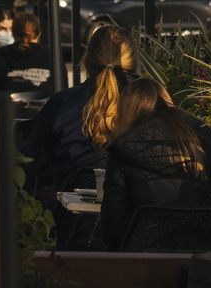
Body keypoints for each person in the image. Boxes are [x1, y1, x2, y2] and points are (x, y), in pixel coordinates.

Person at [97, 76, 211, 251]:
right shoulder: (205, 136)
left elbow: (114, 225)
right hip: (208, 247)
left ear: (126, 112)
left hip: (148, 253)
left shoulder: (123, 147)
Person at [20, 25, 135, 199]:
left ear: (87, 60)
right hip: (134, 215)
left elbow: (34, 162)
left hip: (71, 214)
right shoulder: (152, 103)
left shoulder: (62, 102)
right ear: (133, 61)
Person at [0, 12, 54, 93]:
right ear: (39, 34)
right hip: (46, 105)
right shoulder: (53, 57)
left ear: (13, 32)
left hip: (7, 105)